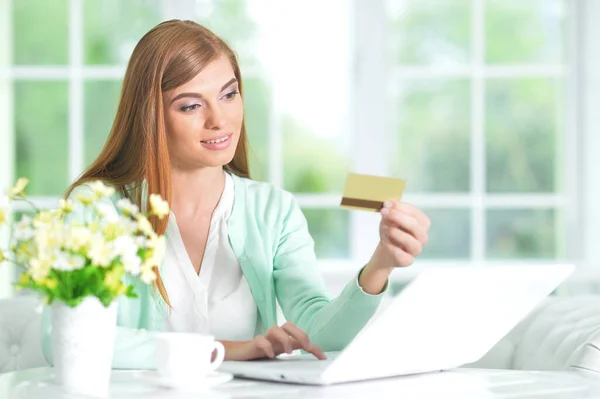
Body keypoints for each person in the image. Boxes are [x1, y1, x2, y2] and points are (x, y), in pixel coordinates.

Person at [41, 20, 431, 369]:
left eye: (229, 94)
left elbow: (318, 333)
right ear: (150, 116)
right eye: (191, 105)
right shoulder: (97, 210)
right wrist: (228, 349)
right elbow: (64, 340)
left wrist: (380, 264)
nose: (219, 119)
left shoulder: (273, 210)